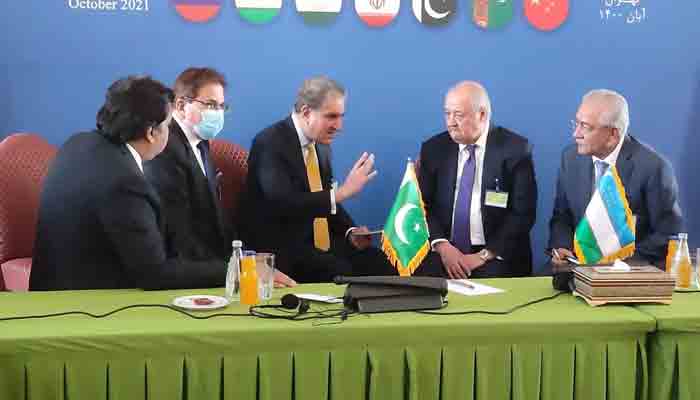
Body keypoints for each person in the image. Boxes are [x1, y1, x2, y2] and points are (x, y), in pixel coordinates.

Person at [30, 76, 227, 290]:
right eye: (168, 125)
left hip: (49, 291)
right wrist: (235, 271)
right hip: (89, 306)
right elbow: (155, 274)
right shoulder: (125, 183)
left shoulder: (77, 143)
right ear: (151, 133)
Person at [240, 76, 396, 283]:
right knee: (340, 271)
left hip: (320, 245)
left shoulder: (321, 145)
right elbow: (283, 203)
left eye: (341, 116)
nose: (338, 126)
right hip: (283, 250)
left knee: (381, 264)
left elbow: (324, 199)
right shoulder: (269, 143)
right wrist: (342, 193)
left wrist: (350, 231)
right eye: (331, 116)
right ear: (306, 112)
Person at [548, 89, 683, 270]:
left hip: (630, 270)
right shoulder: (571, 158)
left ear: (613, 135)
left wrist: (616, 266)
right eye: (576, 123)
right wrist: (563, 247)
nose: (576, 134)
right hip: (577, 265)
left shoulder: (653, 167)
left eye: (585, 126)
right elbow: (562, 216)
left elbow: (668, 233)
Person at [415, 81, 537, 278]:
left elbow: (522, 215)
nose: (451, 122)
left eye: (458, 115)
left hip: (495, 254)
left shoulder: (515, 150)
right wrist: (443, 246)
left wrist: (482, 256)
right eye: (447, 113)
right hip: (445, 250)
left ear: (482, 115)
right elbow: (422, 206)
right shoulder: (434, 149)